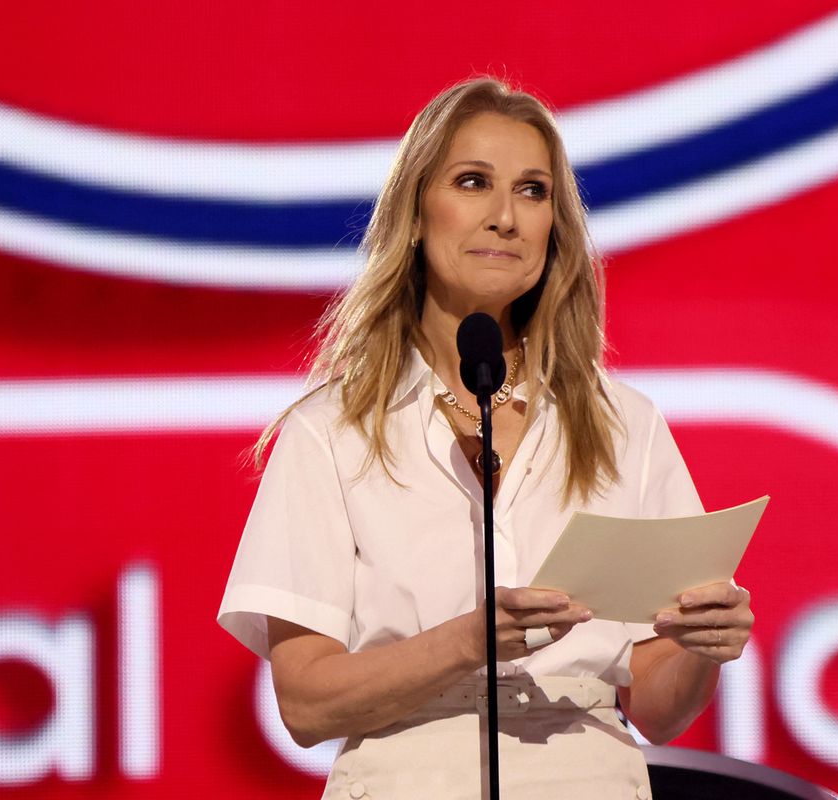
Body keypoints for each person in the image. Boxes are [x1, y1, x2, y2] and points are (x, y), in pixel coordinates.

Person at [217, 76, 753, 799]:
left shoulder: (627, 425)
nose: (505, 217)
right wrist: (468, 642)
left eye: (533, 191)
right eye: (473, 182)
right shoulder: (330, 432)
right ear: (415, 214)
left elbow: (659, 710)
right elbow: (307, 704)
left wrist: (702, 649)